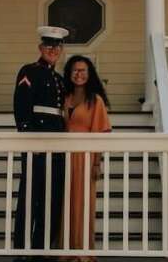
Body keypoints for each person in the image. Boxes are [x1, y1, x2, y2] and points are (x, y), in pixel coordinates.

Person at [13, 26, 69, 255]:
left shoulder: (59, 79)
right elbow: (22, 106)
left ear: (61, 50)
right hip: (36, 142)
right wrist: (28, 138)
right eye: (48, 46)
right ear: (40, 48)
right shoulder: (29, 71)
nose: (52, 50)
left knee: (52, 197)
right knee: (30, 197)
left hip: (57, 143)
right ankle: (22, 250)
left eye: (56, 47)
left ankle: (42, 249)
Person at [62, 55, 111, 260]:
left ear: (89, 74)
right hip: (64, 158)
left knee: (83, 204)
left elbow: (100, 133)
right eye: (75, 70)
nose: (78, 74)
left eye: (83, 70)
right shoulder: (64, 97)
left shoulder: (95, 100)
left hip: (84, 158)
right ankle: (65, 251)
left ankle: (82, 253)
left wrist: (97, 163)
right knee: (65, 203)